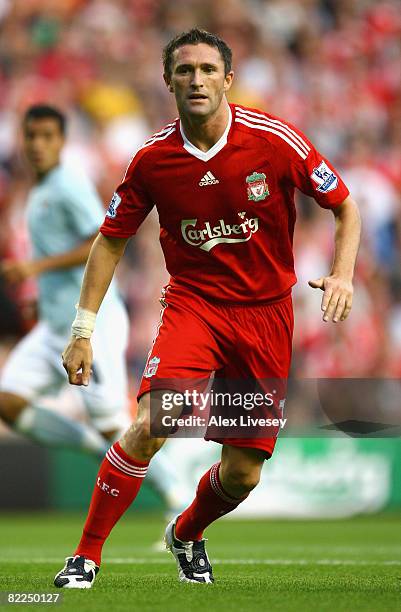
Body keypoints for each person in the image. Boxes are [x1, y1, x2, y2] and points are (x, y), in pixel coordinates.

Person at [54, 28, 361, 588]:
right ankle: (86, 555)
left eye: (207, 70)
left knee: (243, 475)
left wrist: (342, 273)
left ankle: (187, 532)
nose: (196, 79)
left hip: (266, 315)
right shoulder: (152, 159)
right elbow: (111, 239)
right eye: (185, 70)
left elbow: (344, 206)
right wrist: (83, 328)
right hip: (195, 307)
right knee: (154, 422)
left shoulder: (276, 140)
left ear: (228, 79)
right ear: (167, 81)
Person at [0, 104, 130, 454]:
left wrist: (34, 268)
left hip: (92, 322)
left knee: (112, 425)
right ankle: (88, 445)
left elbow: (100, 242)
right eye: (31, 136)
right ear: (21, 140)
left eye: (47, 137)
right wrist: (42, 296)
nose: (37, 145)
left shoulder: (69, 185)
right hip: (55, 324)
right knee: (8, 402)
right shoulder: (38, 190)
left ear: (62, 141)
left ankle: (177, 492)